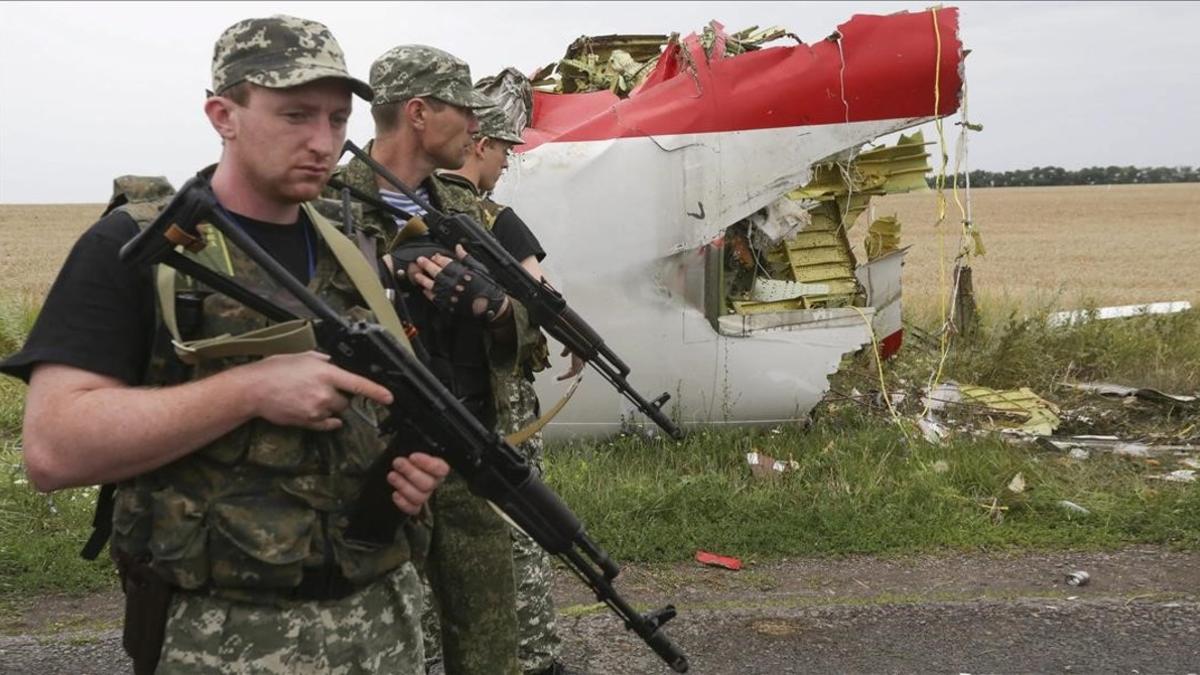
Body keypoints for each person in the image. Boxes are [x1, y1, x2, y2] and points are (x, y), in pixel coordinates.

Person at [0, 15, 449, 674]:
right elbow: (53, 448)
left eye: (336, 119)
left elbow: (381, 409)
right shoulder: (135, 247)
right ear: (222, 114)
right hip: (220, 638)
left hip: (382, 625)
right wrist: (249, 389)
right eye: (295, 114)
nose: (322, 141)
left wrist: (409, 468)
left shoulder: (355, 249)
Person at [330, 44, 546, 675]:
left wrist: (498, 309)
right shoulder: (329, 207)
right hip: (379, 468)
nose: (478, 129)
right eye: (465, 112)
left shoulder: (467, 214)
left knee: (489, 641)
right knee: (387, 643)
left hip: (471, 454)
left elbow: (530, 331)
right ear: (420, 113)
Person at [438, 87, 586, 675]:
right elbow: (542, 292)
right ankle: (534, 657)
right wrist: (573, 335)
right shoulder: (491, 217)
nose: (507, 162)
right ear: (480, 144)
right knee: (522, 523)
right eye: (504, 150)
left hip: (438, 401)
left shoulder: (411, 206)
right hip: (497, 402)